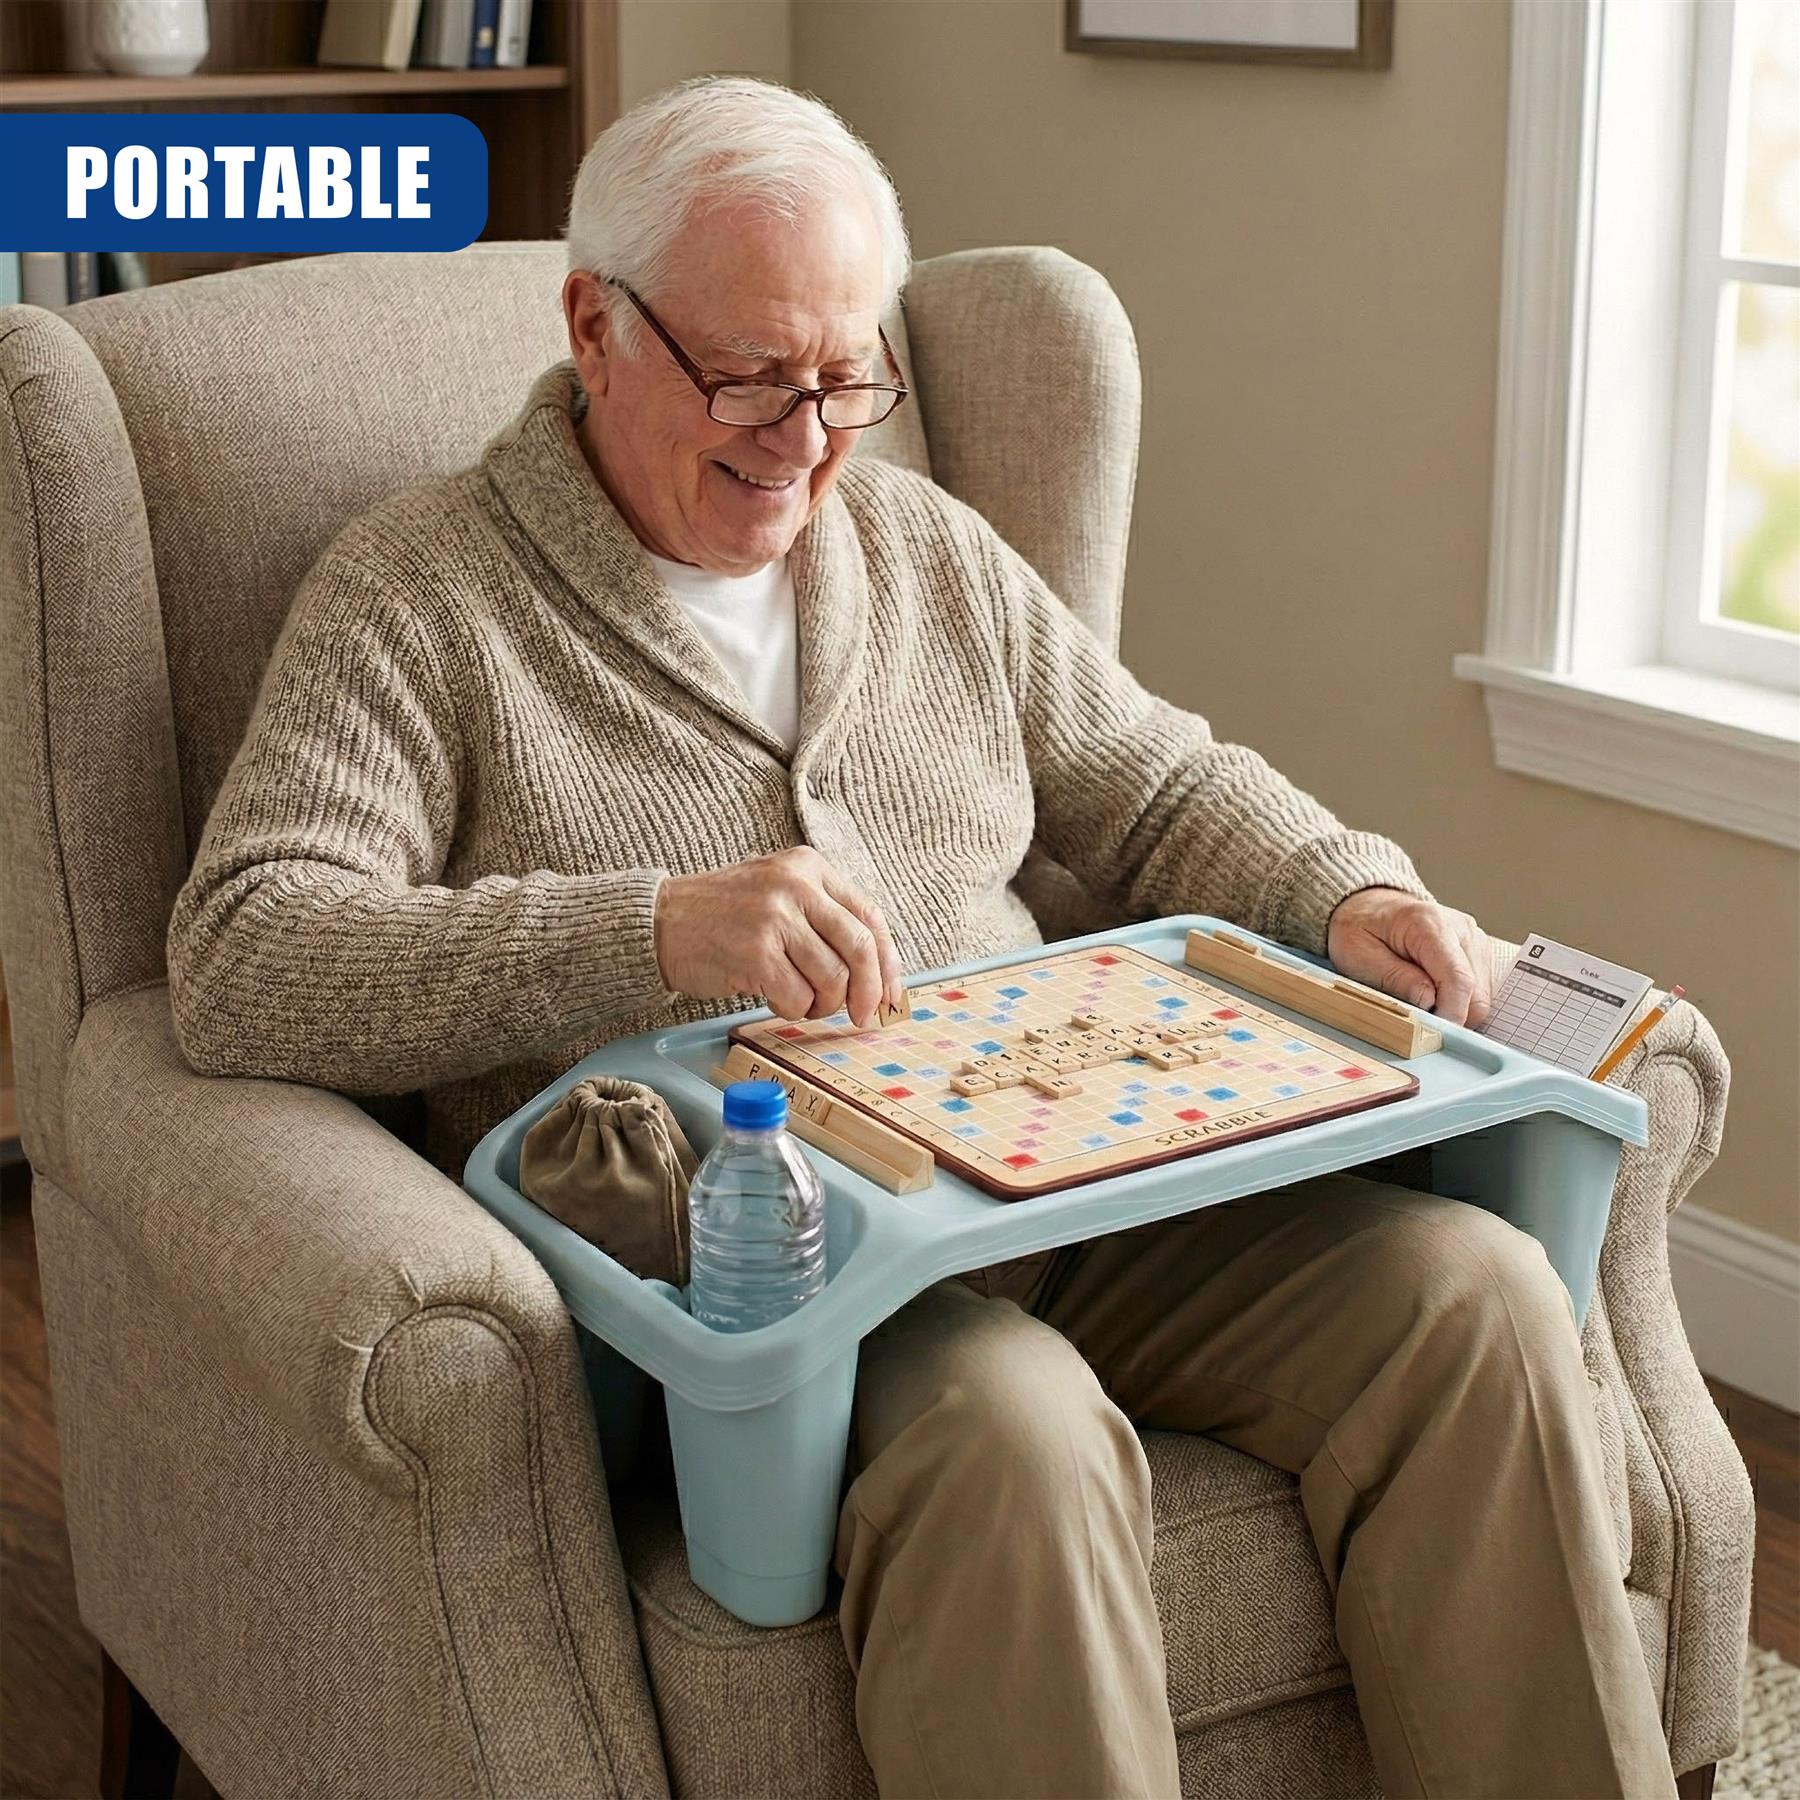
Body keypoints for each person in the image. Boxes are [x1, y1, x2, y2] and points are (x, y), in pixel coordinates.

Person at [165, 74, 1678, 1800]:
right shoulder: (419, 600)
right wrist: (649, 928)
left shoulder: (925, 551)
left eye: (846, 380)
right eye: (751, 376)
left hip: (1086, 1174)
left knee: (1473, 1297)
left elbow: (1152, 780)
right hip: (789, 1274)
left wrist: (1349, 890)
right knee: (1018, 1441)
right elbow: (243, 957)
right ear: (595, 324)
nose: (807, 440)